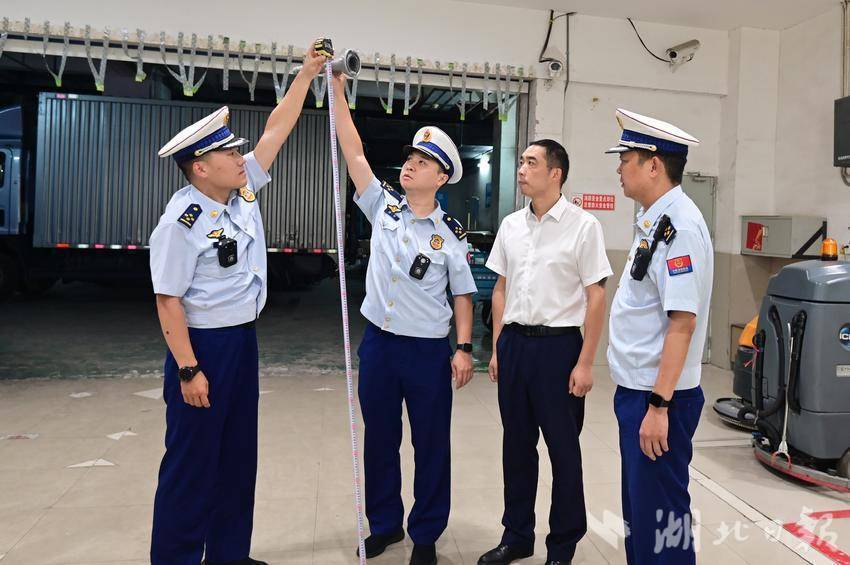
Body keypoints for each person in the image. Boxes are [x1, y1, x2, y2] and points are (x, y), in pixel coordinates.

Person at [147, 42, 327, 565]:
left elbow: (276, 130)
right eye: (228, 154)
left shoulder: (240, 194)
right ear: (201, 168)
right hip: (202, 349)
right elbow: (168, 301)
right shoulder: (180, 223)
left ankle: (229, 554)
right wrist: (189, 370)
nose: (239, 158)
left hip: (242, 342)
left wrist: (306, 74)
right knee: (191, 463)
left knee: (236, 456)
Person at [329, 73, 476, 565]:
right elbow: (354, 153)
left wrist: (463, 349)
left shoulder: (450, 235)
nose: (411, 165)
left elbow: (463, 294)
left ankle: (427, 535)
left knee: (431, 444)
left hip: (426, 352)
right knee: (380, 440)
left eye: (423, 162)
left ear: (442, 178)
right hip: (379, 345)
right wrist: (337, 93)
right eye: (411, 158)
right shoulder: (383, 207)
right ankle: (386, 525)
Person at [478, 140, 612, 565]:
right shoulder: (511, 225)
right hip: (515, 345)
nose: (521, 169)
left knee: (563, 451)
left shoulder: (583, 226)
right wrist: (498, 347)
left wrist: (586, 362)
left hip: (559, 349)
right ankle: (517, 535)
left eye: (531, 163)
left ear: (556, 174)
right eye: (521, 162)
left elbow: (596, 297)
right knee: (516, 448)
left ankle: (562, 545)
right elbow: (500, 290)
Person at [605, 108, 713, 564]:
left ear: (653, 165)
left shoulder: (679, 227)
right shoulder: (655, 219)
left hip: (659, 398)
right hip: (641, 391)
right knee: (642, 516)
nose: (619, 168)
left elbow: (682, 323)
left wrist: (659, 406)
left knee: (662, 518)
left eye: (625, 159)